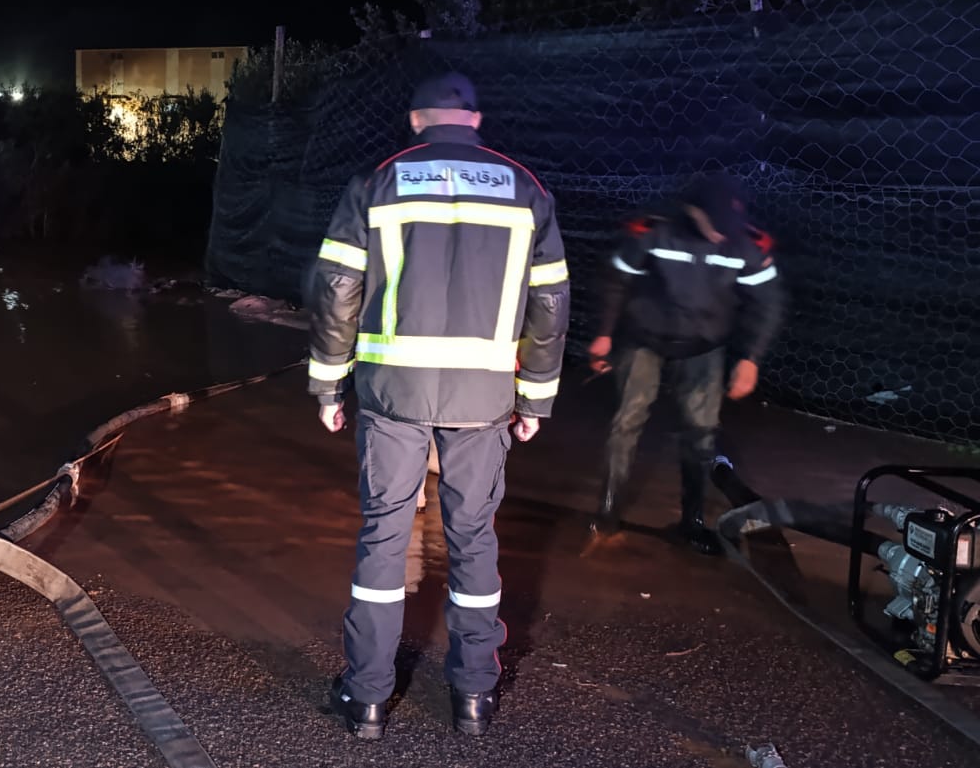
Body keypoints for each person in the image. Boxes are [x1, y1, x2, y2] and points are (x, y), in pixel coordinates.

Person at [307, 72, 570, 739]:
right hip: (485, 396)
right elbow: (550, 301)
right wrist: (535, 398)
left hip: (393, 391)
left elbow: (337, 286)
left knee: (385, 534)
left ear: (416, 120)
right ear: (476, 121)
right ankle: (474, 694)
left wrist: (330, 384)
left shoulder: (379, 181)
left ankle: (367, 698)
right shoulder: (526, 188)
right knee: (473, 535)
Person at [587, 171, 784, 554]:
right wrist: (605, 334)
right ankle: (606, 517)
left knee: (701, 433)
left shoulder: (745, 243)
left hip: (704, 347)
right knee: (627, 422)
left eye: (729, 225)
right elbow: (617, 280)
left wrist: (750, 359)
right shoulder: (654, 232)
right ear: (694, 211)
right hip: (644, 339)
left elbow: (769, 303)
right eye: (715, 224)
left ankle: (692, 523)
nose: (722, 234)